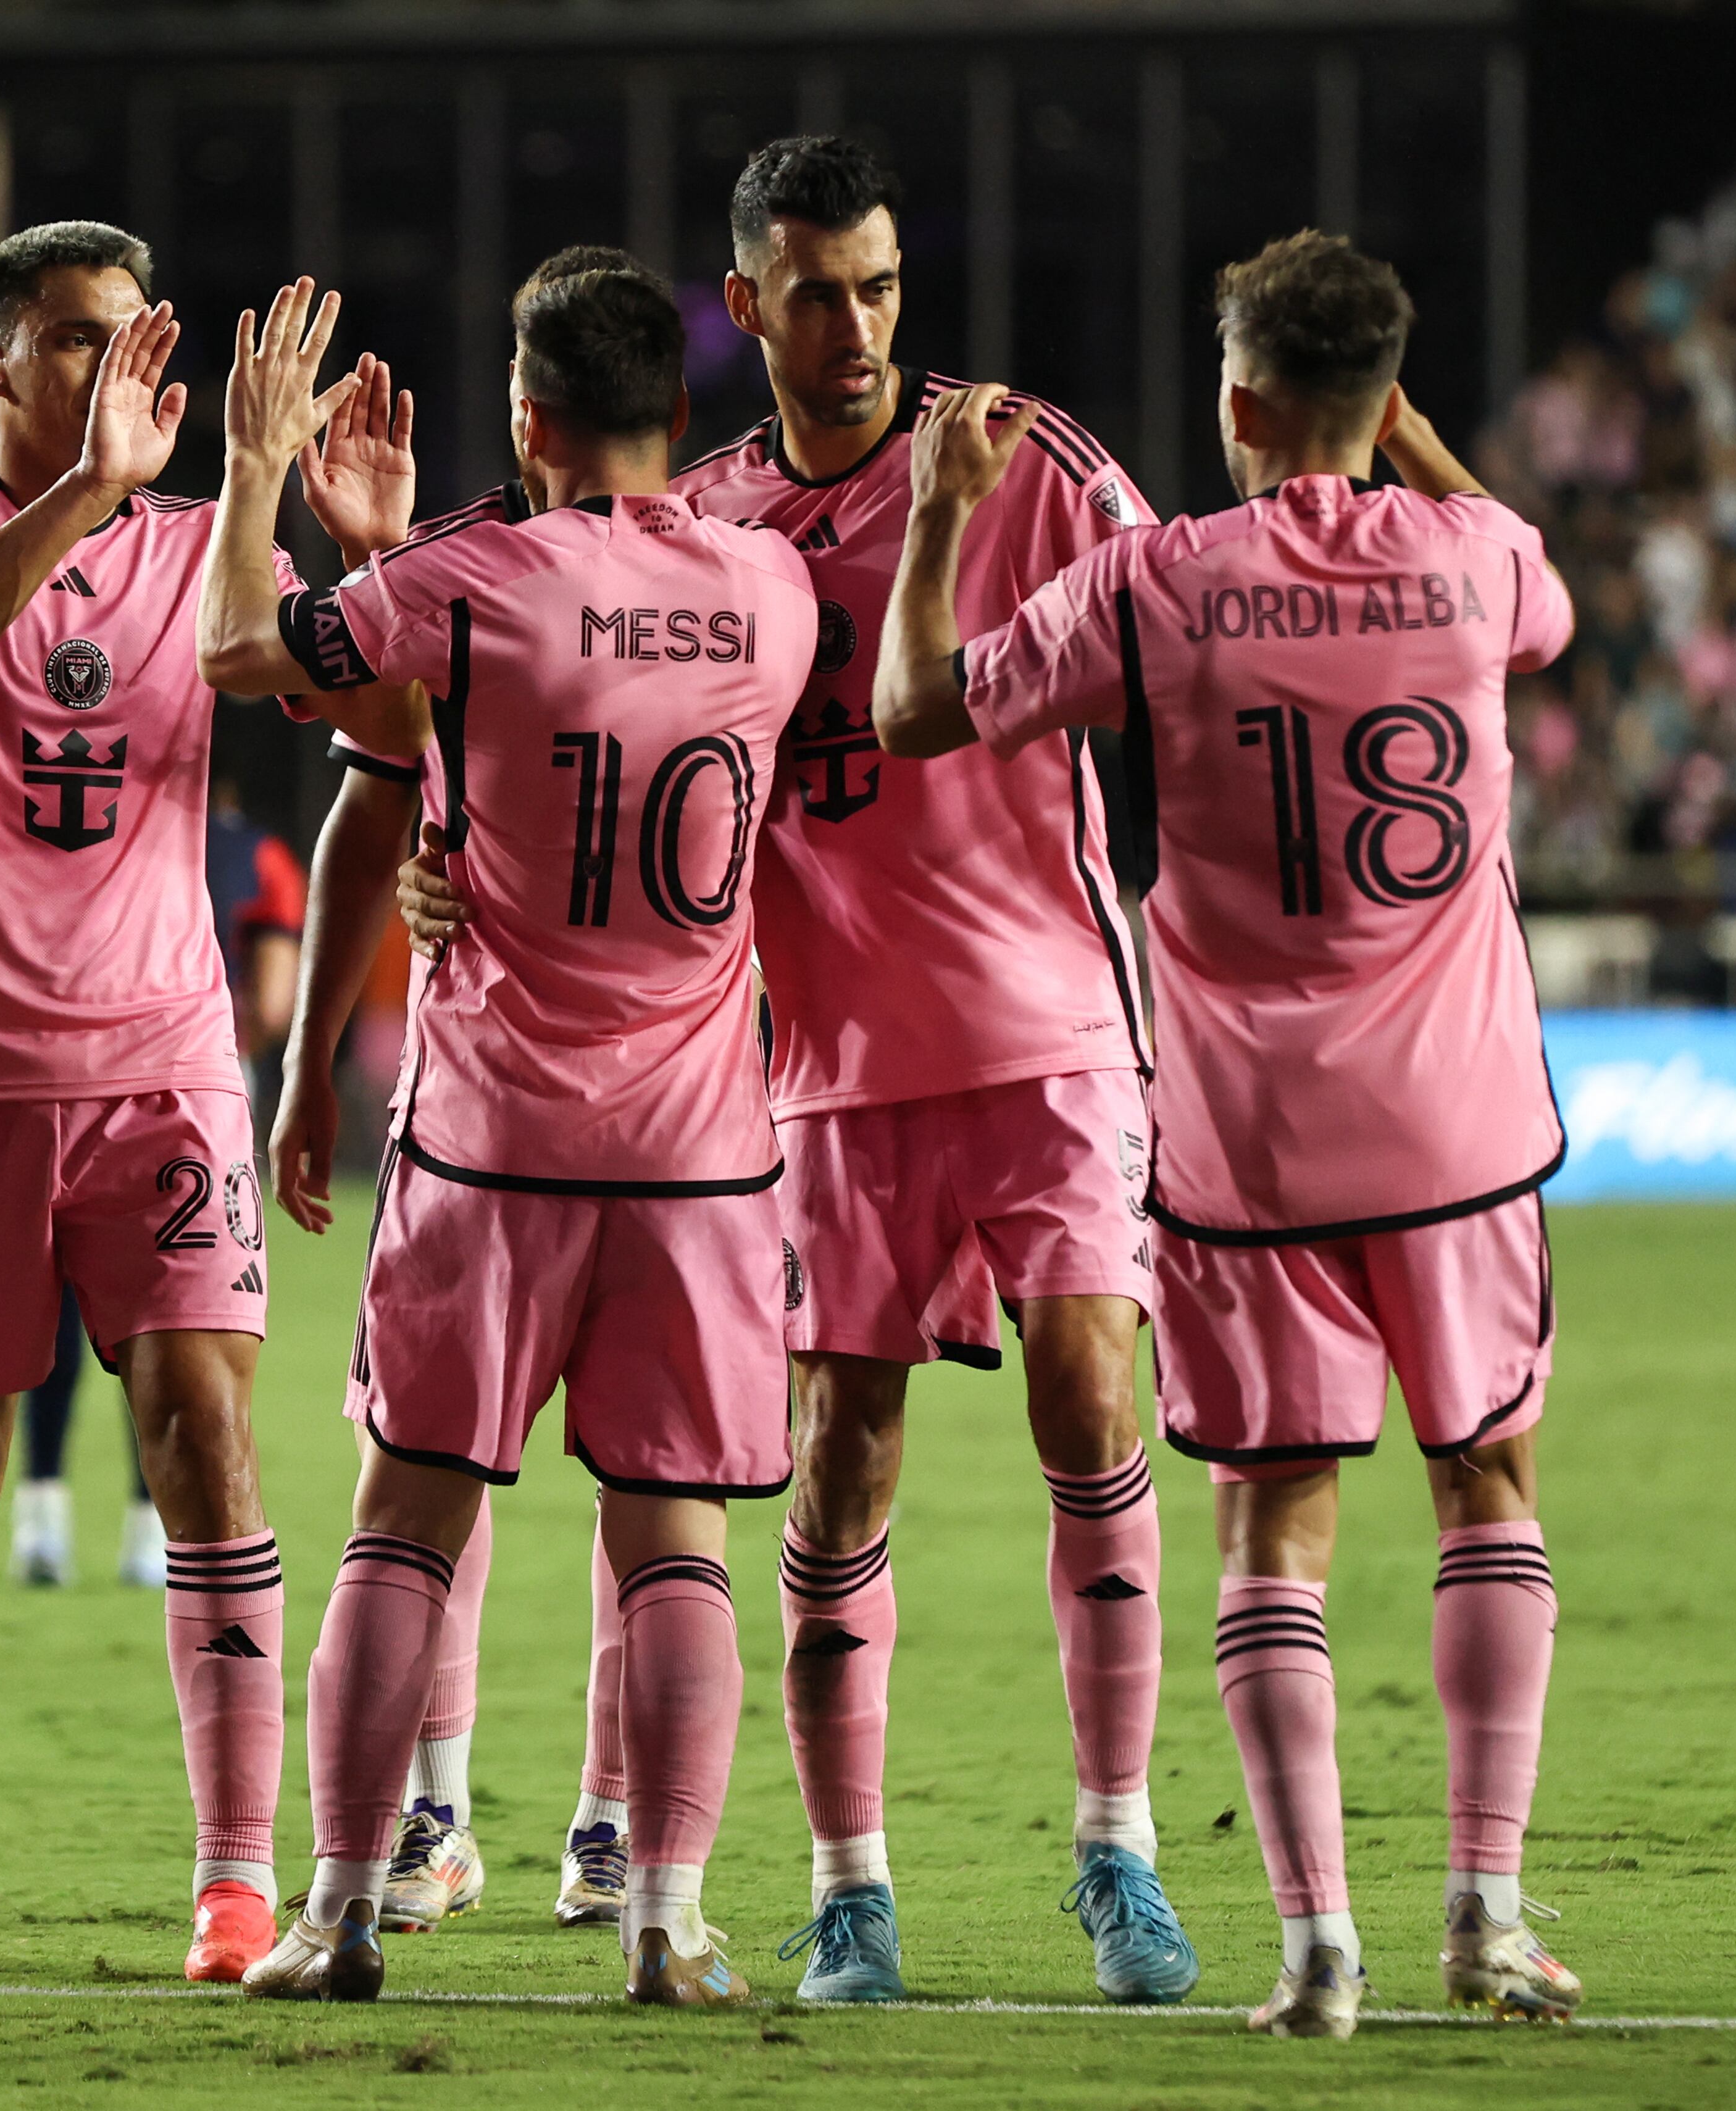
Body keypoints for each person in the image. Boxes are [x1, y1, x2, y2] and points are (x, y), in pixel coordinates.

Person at [399, 136, 1187, 2004]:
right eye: (818, 292)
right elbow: (573, 736)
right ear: (742, 306)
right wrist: (454, 851)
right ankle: (852, 1885)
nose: (857, 330)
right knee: (836, 1464)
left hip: (1052, 1031)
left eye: (884, 288)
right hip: (823, 1069)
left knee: (1089, 1393)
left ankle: (1120, 1847)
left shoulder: (1031, 464)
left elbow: (1194, 656)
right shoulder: (715, 524)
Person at [870, 230, 1584, 2039]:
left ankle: (1318, 1945)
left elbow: (914, 709)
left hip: (1249, 1142)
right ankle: (1488, 1910)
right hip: (1461, 1127)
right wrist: (1410, 440)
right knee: (1486, 1484)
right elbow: (1547, 588)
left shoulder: (1158, 585)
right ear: (1386, 389)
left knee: (1273, 1532)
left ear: (1240, 400)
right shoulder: (1482, 558)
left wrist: (946, 517)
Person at [202, 262, 818, 2008]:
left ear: (529, 418)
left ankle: (334, 1910)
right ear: (680, 420)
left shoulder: (471, 584)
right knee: (676, 1536)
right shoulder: (772, 587)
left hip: (491, 1142)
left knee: (407, 1518)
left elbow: (244, 650)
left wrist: (260, 471)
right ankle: (669, 1918)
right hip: (700, 1151)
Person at [0, 221, 309, 1989]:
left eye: (133, 336)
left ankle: (237, 1880)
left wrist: (250, 481)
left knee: (205, 1439)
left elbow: (272, 663)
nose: (112, 367)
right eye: (78, 338)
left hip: (166, 1064)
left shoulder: (188, 540)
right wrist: (88, 497)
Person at [267, 248, 648, 1941]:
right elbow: (378, 802)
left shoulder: (711, 552)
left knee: (643, 1473)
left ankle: (615, 1818)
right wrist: (368, 554)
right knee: (443, 1456)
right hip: (486, 1083)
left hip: (673, 1091)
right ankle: (437, 1814)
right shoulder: (463, 560)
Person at [10, 779, 304, 1594]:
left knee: (56, 1311)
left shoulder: (91, 822)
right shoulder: (259, 856)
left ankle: (41, 1520)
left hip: (61, 1077)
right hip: (196, 1094)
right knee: (173, 1322)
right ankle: (153, 1534)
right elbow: (276, 999)